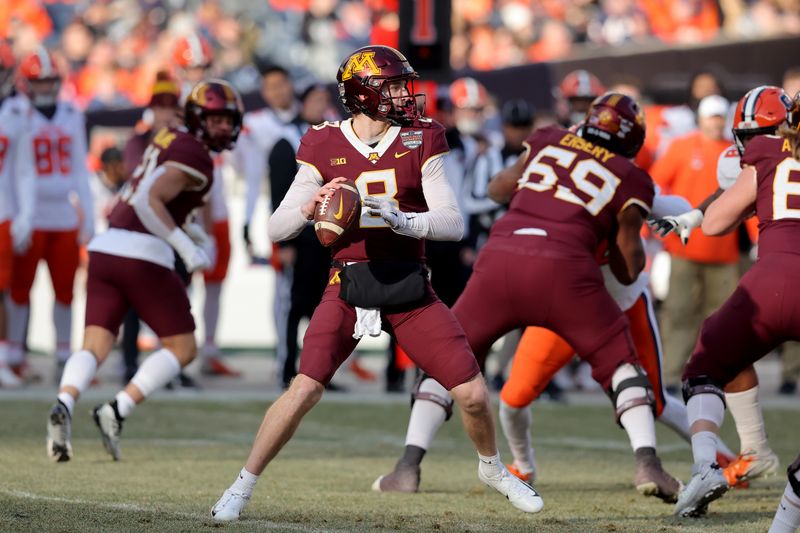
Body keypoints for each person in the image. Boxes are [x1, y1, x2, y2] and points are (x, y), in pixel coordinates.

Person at [210, 45, 543, 522]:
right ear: (361, 93)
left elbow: (452, 222)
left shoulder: (422, 137)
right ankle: (242, 485)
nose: (403, 95)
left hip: (409, 284)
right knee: (304, 388)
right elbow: (276, 227)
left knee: (471, 393)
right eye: (391, 86)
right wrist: (308, 208)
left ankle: (491, 468)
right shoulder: (323, 142)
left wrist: (402, 220)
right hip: (349, 282)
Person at [374, 93, 680, 502]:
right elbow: (629, 267)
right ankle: (648, 462)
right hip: (567, 271)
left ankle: (407, 467)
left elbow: (498, 188)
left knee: (447, 358)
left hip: (502, 257)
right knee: (621, 365)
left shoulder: (550, 139)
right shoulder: (632, 178)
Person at [45, 79, 244, 463]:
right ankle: (117, 410)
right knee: (183, 348)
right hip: (144, 253)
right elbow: (149, 199)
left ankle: (65, 402)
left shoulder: (170, 135)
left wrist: (191, 229)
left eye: (227, 120)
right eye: (216, 120)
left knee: (95, 344)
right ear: (199, 119)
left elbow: (154, 197)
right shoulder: (199, 156)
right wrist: (186, 246)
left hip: (107, 247)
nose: (223, 128)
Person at [672, 87, 800, 519]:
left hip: (771, 282)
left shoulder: (767, 152)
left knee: (707, 361)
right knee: (731, 354)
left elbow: (715, 222)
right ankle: (755, 450)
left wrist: (753, 198)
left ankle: (707, 463)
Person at [8, 47, 94, 382]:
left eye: (49, 81)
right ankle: (15, 354)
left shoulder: (72, 113)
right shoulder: (15, 112)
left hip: (62, 214)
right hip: (28, 213)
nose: (45, 87)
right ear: (27, 84)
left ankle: (62, 354)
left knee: (65, 291)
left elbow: (80, 170)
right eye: (38, 81)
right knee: (19, 290)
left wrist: (88, 217)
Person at [650, 94, 741, 392]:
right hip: (684, 247)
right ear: (701, 119)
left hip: (723, 249)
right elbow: (654, 182)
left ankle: (711, 374)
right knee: (678, 311)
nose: (715, 123)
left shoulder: (734, 151)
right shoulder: (682, 147)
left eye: (719, 117)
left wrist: (758, 237)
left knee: (720, 317)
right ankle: (670, 374)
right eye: (711, 117)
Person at [172, 34, 239, 377]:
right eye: (191, 67)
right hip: (190, 209)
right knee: (180, 283)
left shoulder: (221, 98)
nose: (197, 72)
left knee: (215, 281)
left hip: (219, 204)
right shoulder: (176, 108)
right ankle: (177, 350)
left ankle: (209, 348)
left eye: (201, 66)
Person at [119, 71, 182, 383]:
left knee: (174, 301)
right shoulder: (139, 141)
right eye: (161, 106)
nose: (166, 113)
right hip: (142, 230)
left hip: (173, 228)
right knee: (134, 301)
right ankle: (129, 363)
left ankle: (169, 365)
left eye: (171, 107)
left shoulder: (184, 142)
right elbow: (137, 182)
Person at [0, 40, 34, 388]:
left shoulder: (16, 112)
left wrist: (26, 212)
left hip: (2, 209)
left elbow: (24, 168)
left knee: (2, 290)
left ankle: (2, 357)